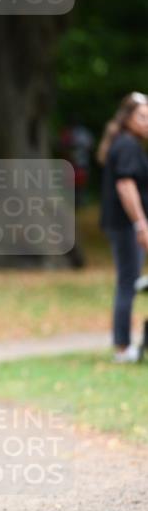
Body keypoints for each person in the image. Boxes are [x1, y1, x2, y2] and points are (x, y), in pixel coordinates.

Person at [97, 91, 148, 362]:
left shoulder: (124, 143)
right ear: (127, 118)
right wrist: (141, 224)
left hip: (123, 224)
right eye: (142, 117)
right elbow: (126, 186)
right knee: (128, 282)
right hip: (126, 225)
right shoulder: (127, 146)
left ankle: (123, 344)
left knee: (128, 281)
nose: (147, 123)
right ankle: (122, 346)